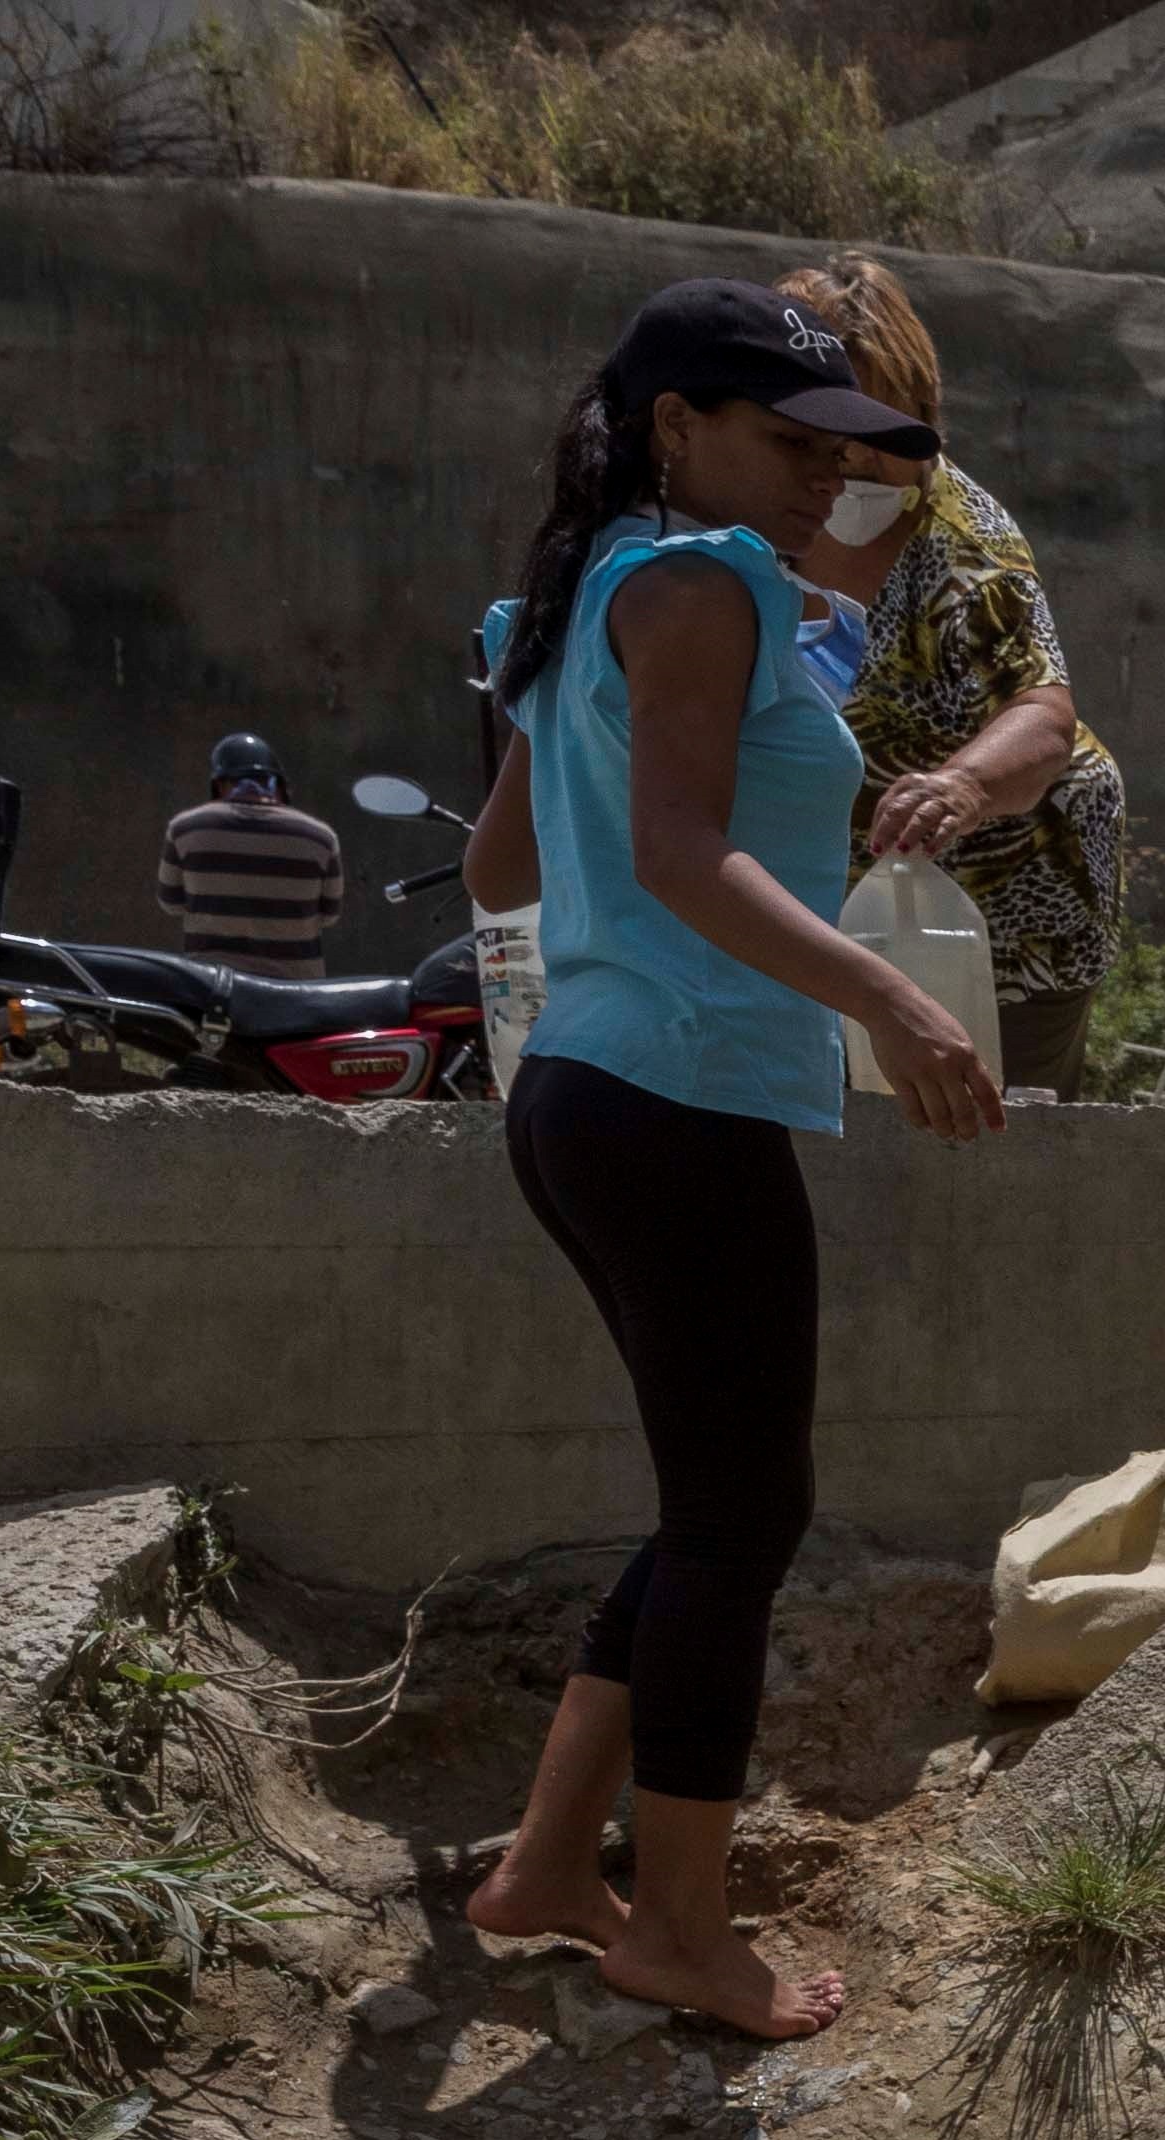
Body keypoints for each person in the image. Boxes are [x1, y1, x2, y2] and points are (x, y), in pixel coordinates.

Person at [455, 279, 1004, 2043]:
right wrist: (891, 1005)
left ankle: (553, 1868)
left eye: (839, 451)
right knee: (744, 1519)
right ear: (676, 424)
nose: (817, 479)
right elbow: (683, 852)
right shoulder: (699, 583)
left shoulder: (584, 594)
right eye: (786, 440)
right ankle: (683, 1927)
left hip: (586, 1093)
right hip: (676, 1097)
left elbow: (496, 872)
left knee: (715, 1507)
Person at [770, 256, 1131, 1101]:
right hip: (836, 903)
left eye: (881, 437)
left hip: (1013, 898)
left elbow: (1042, 715)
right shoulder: (753, 516)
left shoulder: (961, 547)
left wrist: (961, 784)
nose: (854, 465)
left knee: (988, 1137)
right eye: (831, 437)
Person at [153, 735, 344, 978]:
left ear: (220, 784)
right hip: (295, 993)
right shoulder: (321, 838)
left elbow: (171, 903)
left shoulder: (184, 829)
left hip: (210, 987)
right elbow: (329, 915)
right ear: (278, 785)